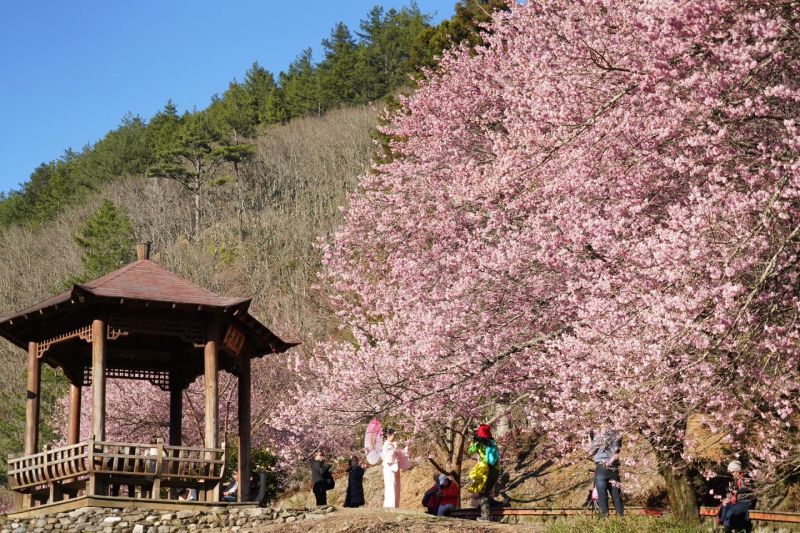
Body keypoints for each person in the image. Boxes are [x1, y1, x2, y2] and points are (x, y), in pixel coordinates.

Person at [588, 427, 624, 517]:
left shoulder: (598, 435)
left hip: (601, 467)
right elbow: (617, 449)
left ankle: (605, 519)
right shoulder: (617, 434)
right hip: (613, 467)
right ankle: (621, 518)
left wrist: (590, 440)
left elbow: (591, 450)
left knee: (602, 496)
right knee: (616, 496)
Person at [467, 423, 500, 522]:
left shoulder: (479, 444)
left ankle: (485, 516)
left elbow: (470, 451)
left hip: (486, 469)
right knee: (488, 490)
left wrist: (473, 442)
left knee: (483, 492)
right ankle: (497, 505)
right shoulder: (493, 443)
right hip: (496, 469)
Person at [717, 460, 757, 533]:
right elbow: (732, 492)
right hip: (738, 501)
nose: (732, 474)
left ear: (737, 471)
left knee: (731, 512)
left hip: (746, 502)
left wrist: (737, 492)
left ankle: (733, 527)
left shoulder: (746, 478)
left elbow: (748, 489)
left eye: (733, 472)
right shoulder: (736, 479)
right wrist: (728, 497)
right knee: (724, 506)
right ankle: (725, 525)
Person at [382, 428, 407, 508]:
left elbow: (399, 453)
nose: (394, 437)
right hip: (390, 468)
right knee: (391, 486)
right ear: (389, 435)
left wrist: (406, 448)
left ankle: (396, 505)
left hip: (395, 467)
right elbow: (389, 458)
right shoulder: (386, 445)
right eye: (393, 435)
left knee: (396, 486)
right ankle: (390, 505)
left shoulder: (392, 444)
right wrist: (395, 449)